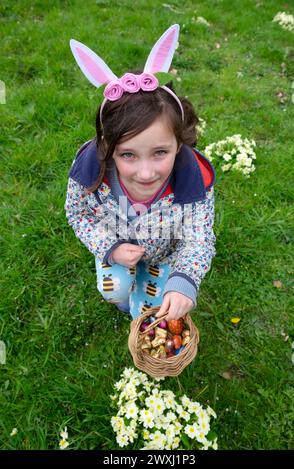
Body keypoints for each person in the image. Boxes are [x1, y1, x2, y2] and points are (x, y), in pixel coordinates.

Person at [65, 25, 216, 321]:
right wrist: (110, 247)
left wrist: (185, 279)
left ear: (179, 143)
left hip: (165, 255)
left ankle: (141, 300)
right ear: (107, 146)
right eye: (128, 155)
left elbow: (199, 237)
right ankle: (123, 298)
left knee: (146, 313)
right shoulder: (90, 170)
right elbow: (78, 213)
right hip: (115, 246)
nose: (145, 173)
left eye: (160, 153)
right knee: (115, 290)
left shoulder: (193, 180)